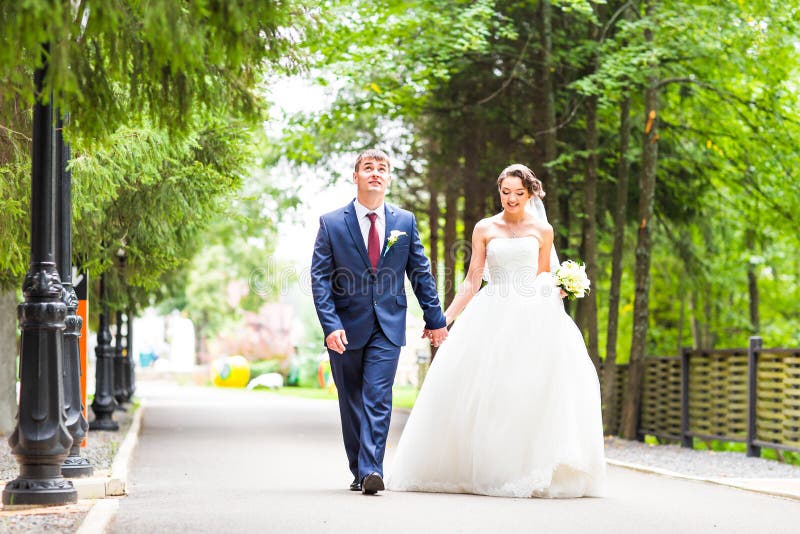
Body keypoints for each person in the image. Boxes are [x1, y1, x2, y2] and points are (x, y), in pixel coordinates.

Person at [386, 164, 606, 498]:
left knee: (528, 391)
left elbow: (543, 276)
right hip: (492, 310)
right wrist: (442, 319)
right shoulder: (485, 228)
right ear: (499, 191)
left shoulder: (542, 230)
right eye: (505, 192)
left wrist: (558, 288)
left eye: (518, 193)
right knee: (486, 390)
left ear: (529, 193)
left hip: (532, 316)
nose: (511, 199)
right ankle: (485, 468)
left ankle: (528, 469)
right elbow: (473, 279)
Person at [311, 149, 449, 495]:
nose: (375, 173)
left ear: (388, 179)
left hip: (388, 326)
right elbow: (320, 280)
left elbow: (420, 273)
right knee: (351, 400)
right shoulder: (331, 223)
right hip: (344, 327)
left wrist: (436, 319)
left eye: (382, 169)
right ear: (355, 177)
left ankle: (373, 470)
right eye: (368, 168)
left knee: (377, 396)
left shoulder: (404, 222)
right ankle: (359, 468)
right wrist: (330, 325)